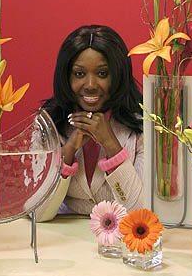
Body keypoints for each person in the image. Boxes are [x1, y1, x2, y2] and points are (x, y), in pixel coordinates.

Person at [36, 25, 144, 222]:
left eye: (102, 74)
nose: (91, 85)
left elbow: (142, 214)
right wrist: (68, 151)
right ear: (66, 76)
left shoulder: (144, 125)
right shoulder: (47, 124)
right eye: (79, 74)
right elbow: (38, 213)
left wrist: (111, 145)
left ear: (118, 75)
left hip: (122, 236)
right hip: (63, 236)